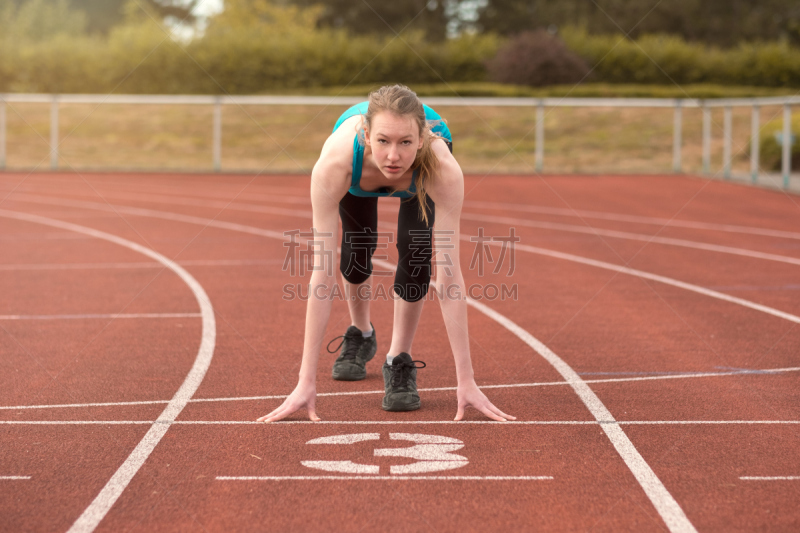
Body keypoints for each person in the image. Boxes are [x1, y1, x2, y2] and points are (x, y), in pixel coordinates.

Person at [257, 84, 514, 423]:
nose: (393, 156)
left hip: (422, 173)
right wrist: (305, 381)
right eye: (383, 141)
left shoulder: (442, 169)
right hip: (356, 171)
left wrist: (466, 381)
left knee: (417, 250)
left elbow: (449, 277)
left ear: (421, 139)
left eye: (405, 142)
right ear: (365, 134)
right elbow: (321, 272)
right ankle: (361, 333)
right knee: (356, 249)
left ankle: (398, 358)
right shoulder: (335, 164)